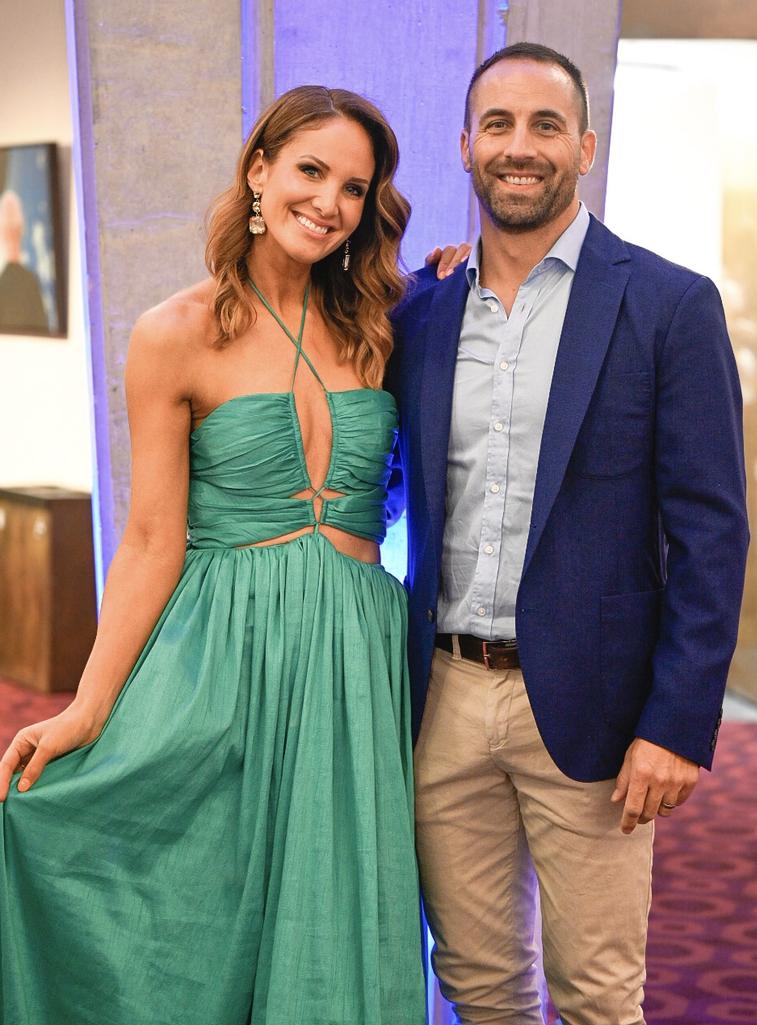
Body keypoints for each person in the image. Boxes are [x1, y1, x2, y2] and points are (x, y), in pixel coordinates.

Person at [0, 86, 430, 1025]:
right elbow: (153, 539)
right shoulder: (173, 333)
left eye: (355, 188)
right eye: (311, 171)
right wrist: (88, 703)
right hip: (226, 648)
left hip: (357, 651)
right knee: (202, 905)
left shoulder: (383, 323)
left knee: (338, 903)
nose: (329, 203)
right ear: (258, 169)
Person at [386, 43, 749, 1025]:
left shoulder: (667, 304)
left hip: (597, 708)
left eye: (546, 125)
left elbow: (714, 530)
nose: (520, 146)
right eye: (498, 124)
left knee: (597, 994)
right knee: (480, 985)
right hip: (443, 702)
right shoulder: (420, 312)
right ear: (464, 145)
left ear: (585, 146)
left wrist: (678, 720)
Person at [0, 189, 49, 333]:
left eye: (14, 225)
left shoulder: (30, 282)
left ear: (21, 228)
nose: (11, 228)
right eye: (7, 224)